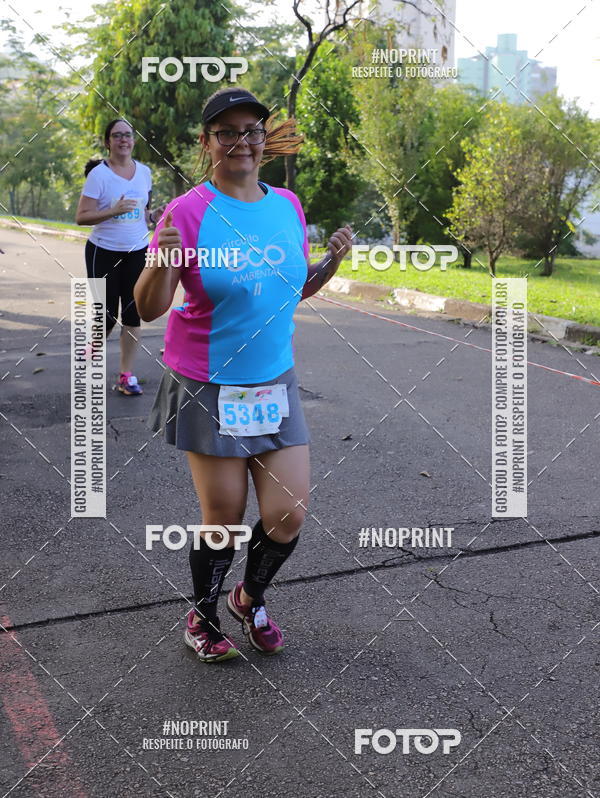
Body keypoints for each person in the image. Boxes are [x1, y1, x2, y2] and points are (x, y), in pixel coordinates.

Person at [134, 87, 352, 663]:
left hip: (273, 382)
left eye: (250, 130)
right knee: (225, 518)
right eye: (225, 132)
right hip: (207, 382)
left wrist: (329, 264)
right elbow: (150, 307)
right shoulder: (187, 212)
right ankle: (202, 617)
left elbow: (293, 288)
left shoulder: (287, 205)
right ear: (207, 144)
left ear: (264, 140)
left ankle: (248, 596)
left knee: (287, 513)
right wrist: (163, 259)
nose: (241, 141)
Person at [75, 118, 163, 395]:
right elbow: (81, 217)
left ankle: (126, 375)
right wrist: (112, 211)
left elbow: (143, 212)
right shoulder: (98, 175)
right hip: (103, 251)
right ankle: (94, 347)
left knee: (132, 313)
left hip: (137, 250)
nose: (123, 140)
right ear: (108, 142)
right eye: (117, 135)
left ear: (133, 140)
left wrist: (153, 216)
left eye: (128, 135)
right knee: (107, 315)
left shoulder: (145, 172)